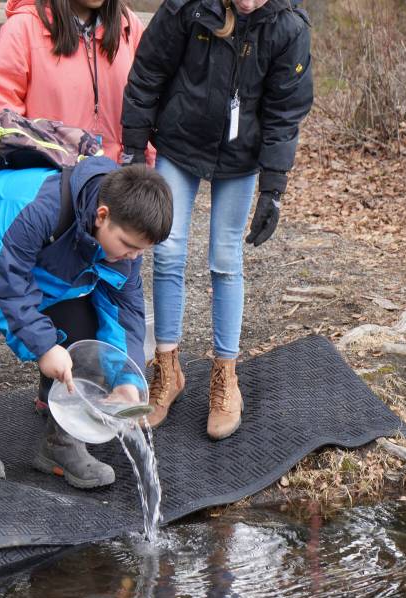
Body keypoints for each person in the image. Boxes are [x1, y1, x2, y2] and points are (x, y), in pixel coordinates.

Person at [121, 0, 312, 440]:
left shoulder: (287, 27)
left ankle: (226, 376)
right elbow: (149, 69)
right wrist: (134, 145)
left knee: (226, 259)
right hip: (180, 141)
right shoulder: (190, 7)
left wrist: (273, 187)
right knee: (166, 249)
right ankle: (167, 369)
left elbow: (285, 111)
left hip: (241, 156)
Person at [0, 157, 172, 488]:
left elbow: (124, 313)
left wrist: (126, 378)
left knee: (87, 343)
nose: (132, 257)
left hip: (46, 276)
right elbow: (3, 285)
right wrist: (44, 347)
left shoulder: (123, 244)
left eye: (140, 251)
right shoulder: (34, 208)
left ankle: (60, 444)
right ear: (102, 216)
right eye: (128, 246)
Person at [0, 0, 147, 163]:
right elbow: (2, 122)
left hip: (122, 179)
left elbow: (149, 106)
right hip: (50, 178)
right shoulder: (22, 28)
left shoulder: (129, 25)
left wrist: (153, 175)